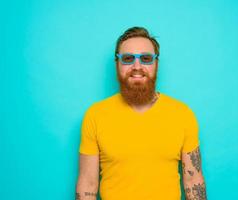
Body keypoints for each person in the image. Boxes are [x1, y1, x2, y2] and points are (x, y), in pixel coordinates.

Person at [75, 27, 207, 200]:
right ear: (117, 64)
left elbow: (193, 180)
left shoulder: (183, 114)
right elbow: (88, 183)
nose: (137, 66)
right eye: (128, 59)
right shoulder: (95, 115)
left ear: (156, 63)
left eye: (146, 59)